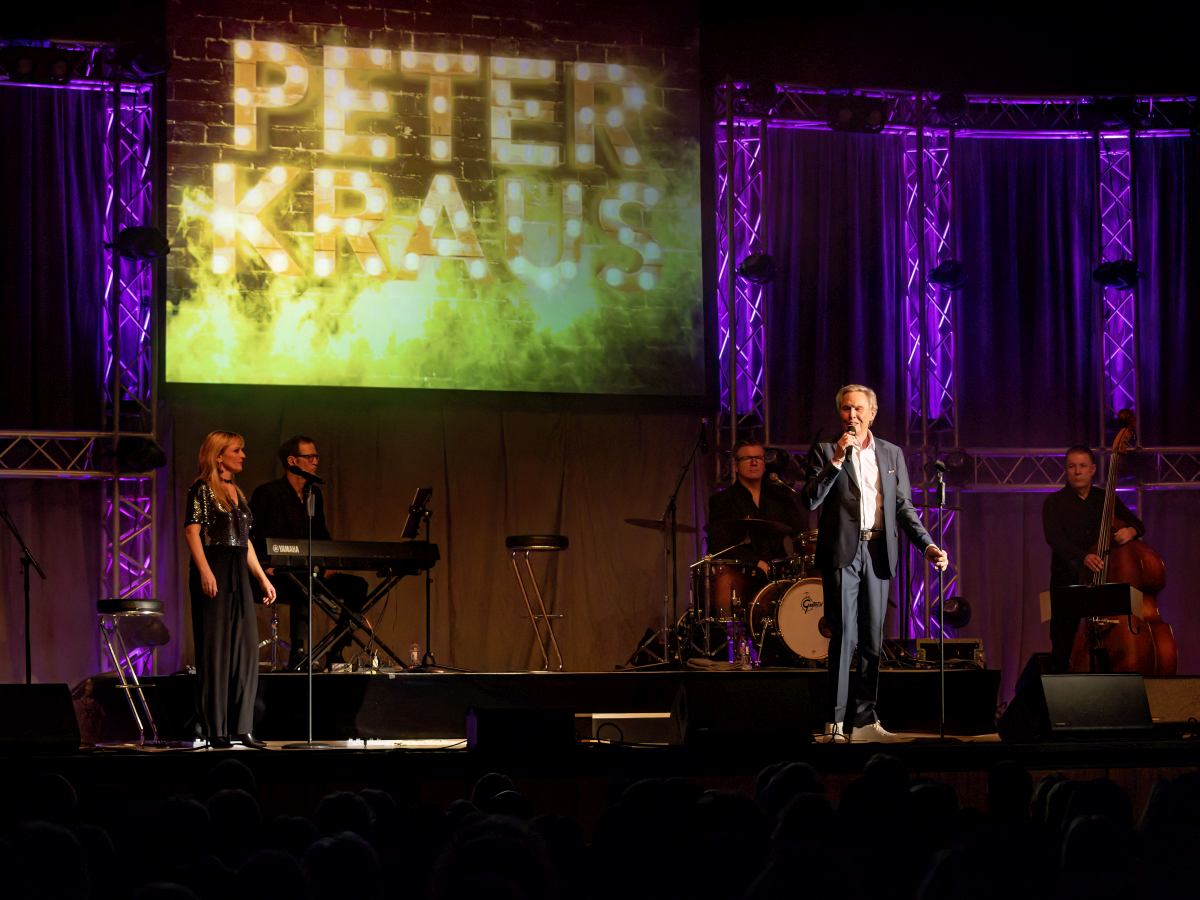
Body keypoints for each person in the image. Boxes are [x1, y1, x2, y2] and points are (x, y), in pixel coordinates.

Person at [801, 385, 948, 743]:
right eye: (846, 409)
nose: (852, 416)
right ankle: (835, 723)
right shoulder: (824, 452)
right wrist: (837, 459)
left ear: (872, 412)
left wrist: (927, 545)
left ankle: (865, 720)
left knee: (871, 640)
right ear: (840, 414)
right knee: (844, 636)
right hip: (843, 553)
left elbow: (903, 508)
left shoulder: (892, 454)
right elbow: (810, 500)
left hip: (879, 551)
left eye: (859, 409)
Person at [185, 430, 276, 749]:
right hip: (216, 567)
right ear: (219, 455)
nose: (243, 455)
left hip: (238, 570)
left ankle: (243, 727)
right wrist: (205, 571)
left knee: (245, 649)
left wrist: (262, 577)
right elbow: (193, 532)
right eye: (237, 450)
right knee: (216, 651)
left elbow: (245, 540)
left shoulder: (237, 492)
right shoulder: (202, 489)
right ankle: (217, 728)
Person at [250, 436, 367, 669]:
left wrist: (331, 562)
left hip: (311, 571)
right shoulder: (268, 493)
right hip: (275, 575)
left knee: (357, 586)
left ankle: (335, 650)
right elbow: (252, 535)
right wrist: (266, 565)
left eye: (317, 457)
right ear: (292, 461)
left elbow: (321, 534)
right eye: (309, 457)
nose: (315, 461)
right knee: (302, 586)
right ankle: (300, 655)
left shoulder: (315, 495)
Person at [1041, 445, 1144, 671]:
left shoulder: (1105, 499)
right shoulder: (1053, 502)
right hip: (1065, 582)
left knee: (1108, 649)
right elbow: (1055, 540)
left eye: (1083, 466)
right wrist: (1083, 556)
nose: (1077, 471)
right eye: (1072, 466)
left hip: (1103, 583)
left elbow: (1138, 524)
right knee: (1061, 647)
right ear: (1066, 471)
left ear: (1093, 470)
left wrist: (1131, 531)